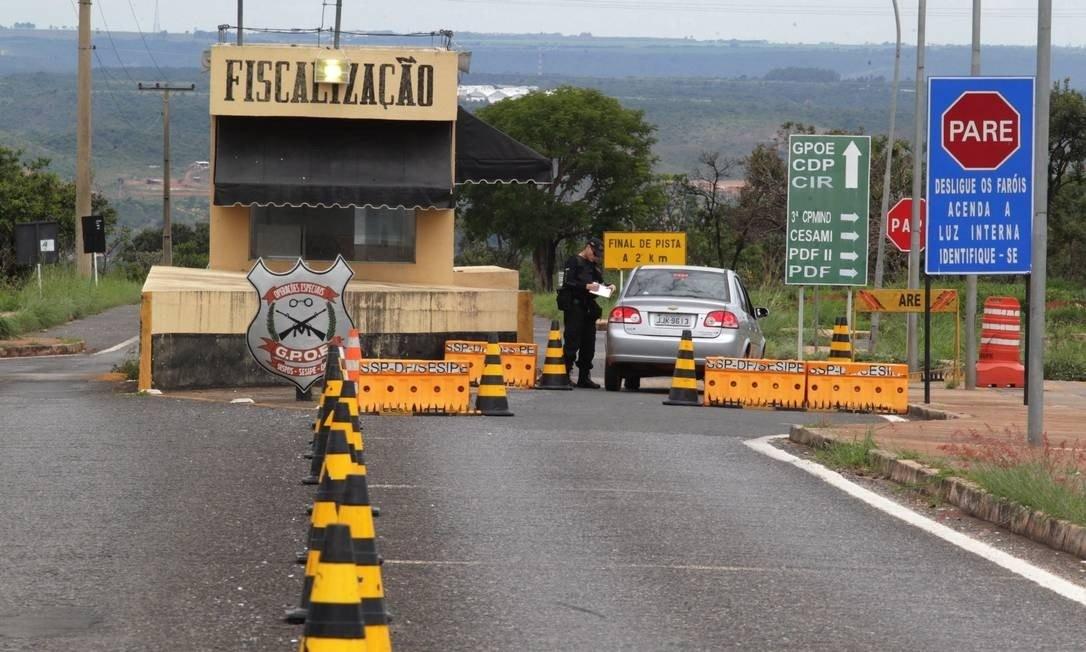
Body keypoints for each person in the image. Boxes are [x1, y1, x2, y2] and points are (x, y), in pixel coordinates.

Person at [559, 237, 615, 388]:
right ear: (588, 247)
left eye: (598, 255)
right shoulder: (574, 261)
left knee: (589, 343)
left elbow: (600, 282)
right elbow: (567, 282)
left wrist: (609, 286)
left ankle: (584, 377)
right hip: (575, 307)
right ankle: (565, 375)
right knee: (572, 342)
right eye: (594, 253)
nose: (595, 257)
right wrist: (585, 286)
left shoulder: (593, 265)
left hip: (588, 308)